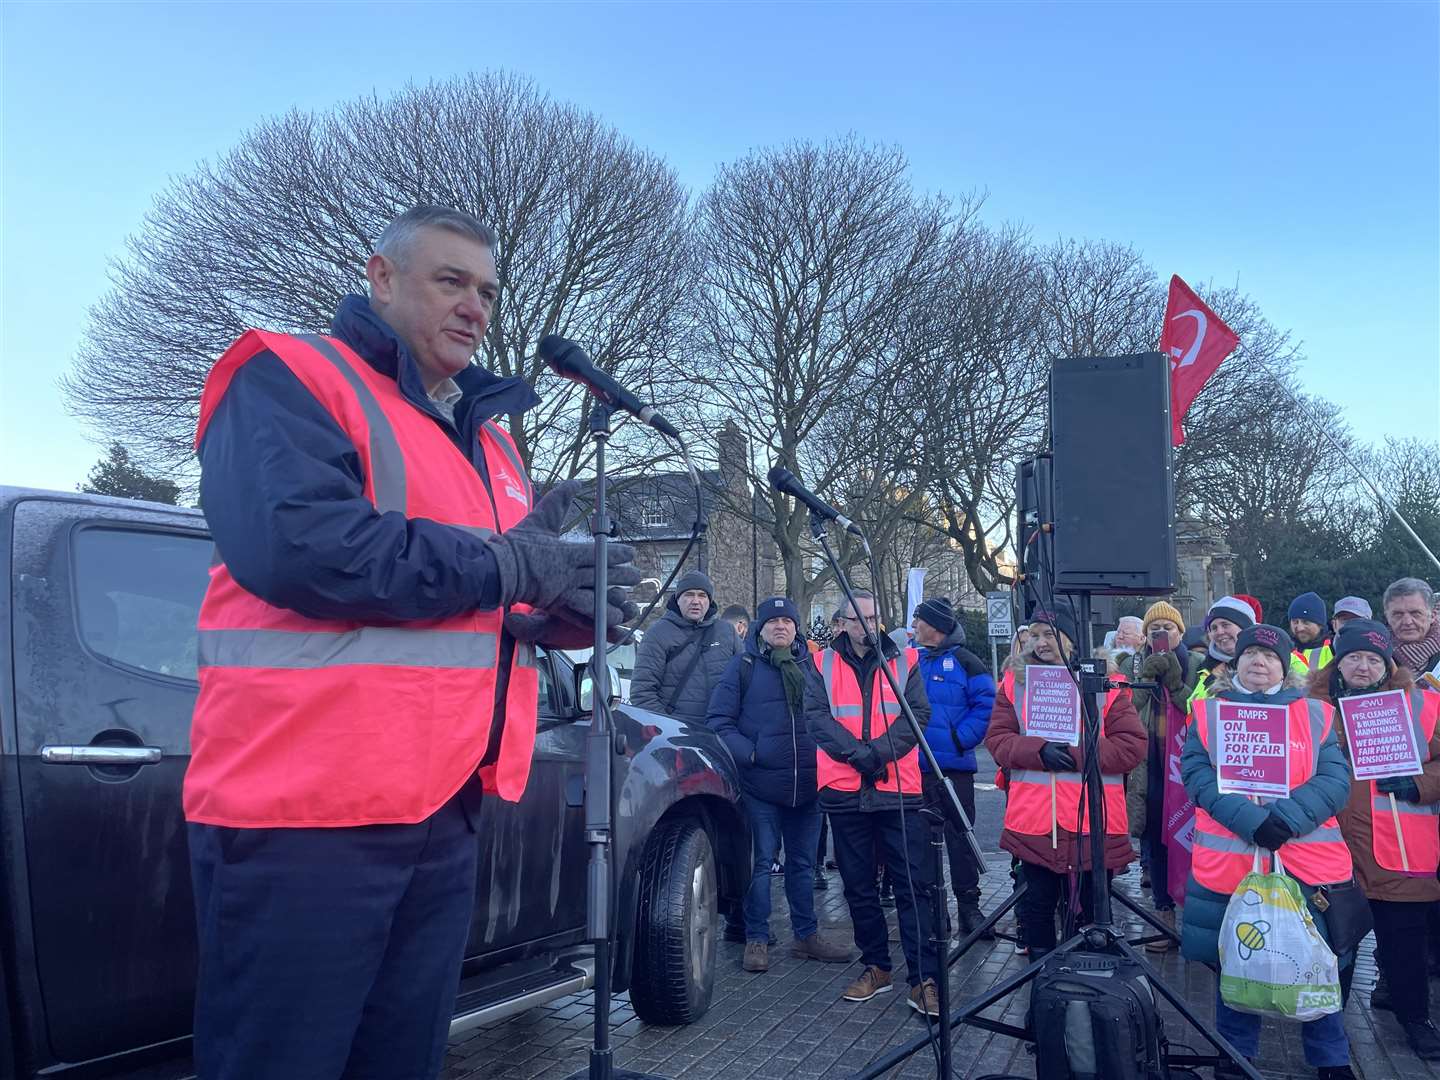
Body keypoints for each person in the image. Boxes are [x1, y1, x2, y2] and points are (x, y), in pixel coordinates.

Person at [185, 205, 640, 1079]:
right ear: (381, 277)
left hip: (440, 806)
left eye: (488, 291)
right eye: (451, 281)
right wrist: (514, 571)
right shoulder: (290, 375)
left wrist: (555, 618)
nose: (476, 307)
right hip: (305, 813)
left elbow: (470, 600)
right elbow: (305, 551)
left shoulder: (491, 441)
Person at [1181, 624, 1356, 1080]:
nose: (1260, 661)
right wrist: (1252, 821)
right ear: (1233, 663)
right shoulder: (1206, 714)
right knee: (1234, 969)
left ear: (1285, 665)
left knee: (1318, 964)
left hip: (1304, 865)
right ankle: (1236, 1057)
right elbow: (1198, 778)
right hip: (1233, 865)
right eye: (1251, 654)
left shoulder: (1317, 714)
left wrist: (1288, 819)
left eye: (1270, 655)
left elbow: (1335, 782)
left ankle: (1331, 1059)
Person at [1309, 619, 1440, 1060]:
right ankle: (1329, 1027)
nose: (1362, 666)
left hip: (1400, 850)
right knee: (1334, 946)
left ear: (1387, 664)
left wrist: (1419, 782)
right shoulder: (1311, 709)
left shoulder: (1423, 706)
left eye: (1372, 658)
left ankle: (1416, 1019)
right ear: (1337, 663)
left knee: (1404, 947)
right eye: (1352, 657)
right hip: (1329, 849)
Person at [806, 590, 941, 1016]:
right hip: (845, 791)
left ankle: (923, 978)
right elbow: (816, 716)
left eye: (874, 616)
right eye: (859, 617)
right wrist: (856, 754)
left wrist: (877, 754)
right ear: (842, 623)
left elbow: (917, 715)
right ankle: (877, 966)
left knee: (913, 886)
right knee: (859, 887)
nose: (868, 624)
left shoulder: (905, 661)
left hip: (898, 788)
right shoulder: (821, 663)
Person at [985, 608, 1145, 959]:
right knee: (1036, 908)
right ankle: (1043, 988)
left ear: (1074, 640)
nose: (1041, 643)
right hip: (1035, 818)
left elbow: (1131, 748)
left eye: (1050, 635)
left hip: (1093, 819)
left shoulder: (1110, 684)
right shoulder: (1016, 681)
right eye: (1036, 635)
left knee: (1092, 912)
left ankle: (1088, 986)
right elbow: (997, 739)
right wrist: (1037, 750)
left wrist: (1074, 753)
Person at [708, 596, 854, 972]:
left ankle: (806, 936)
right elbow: (719, 720)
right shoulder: (743, 665)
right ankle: (756, 938)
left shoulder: (812, 665)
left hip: (808, 787)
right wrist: (751, 754)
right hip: (761, 787)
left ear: (796, 627)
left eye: (787, 622)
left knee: (804, 865)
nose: (780, 627)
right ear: (761, 627)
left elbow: (833, 715)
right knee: (760, 864)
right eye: (773, 622)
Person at [912, 597, 996, 938]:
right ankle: (935, 910)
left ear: (935, 627)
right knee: (922, 843)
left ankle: (969, 908)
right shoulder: (910, 660)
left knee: (960, 840)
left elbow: (987, 704)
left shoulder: (967, 661)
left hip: (956, 768)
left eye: (919, 621)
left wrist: (961, 739)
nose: (914, 626)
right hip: (917, 768)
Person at [1118, 601, 1199, 950]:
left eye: (1168, 627)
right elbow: (1123, 711)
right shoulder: (1129, 664)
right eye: (1153, 629)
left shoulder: (1196, 663)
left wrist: (1175, 682)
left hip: (1184, 764)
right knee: (1155, 838)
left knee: (1189, 839)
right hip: (1147, 764)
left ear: (1180, 631)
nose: (1160, 633)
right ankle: (1164, 913)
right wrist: (1146, 679)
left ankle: (1195, 914)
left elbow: (1197, 709)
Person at [630, 569, 739, 722]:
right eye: (689, 595)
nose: (696, 601)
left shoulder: (727, 632)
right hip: (678, 734)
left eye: (702, 595)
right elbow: (642, 693)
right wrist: (667, 728)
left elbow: (745, 682)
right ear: (678, 599)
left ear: (709, 600)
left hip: (721, 730)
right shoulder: (657, 634)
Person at [1187, 595, 1256, 710]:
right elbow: (1193, 709)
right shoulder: (1207, 669)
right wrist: (1214, 681)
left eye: (1225, 625)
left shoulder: (1276, 659)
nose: (1219, 632)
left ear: (1245, 628)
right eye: (1214, 628)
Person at [1385, 577, 1440, 680]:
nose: (1407, 622)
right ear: (1387, 617)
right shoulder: (1375, 658)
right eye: (1398, 614)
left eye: (1416, 613)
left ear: (1432, 615)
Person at [1289, 591, 1332, 669]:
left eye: (1306, 622)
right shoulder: (1284, 650)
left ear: (1320, 625)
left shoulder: (1332, 650)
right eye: (1295, 622)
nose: (1300, 628)